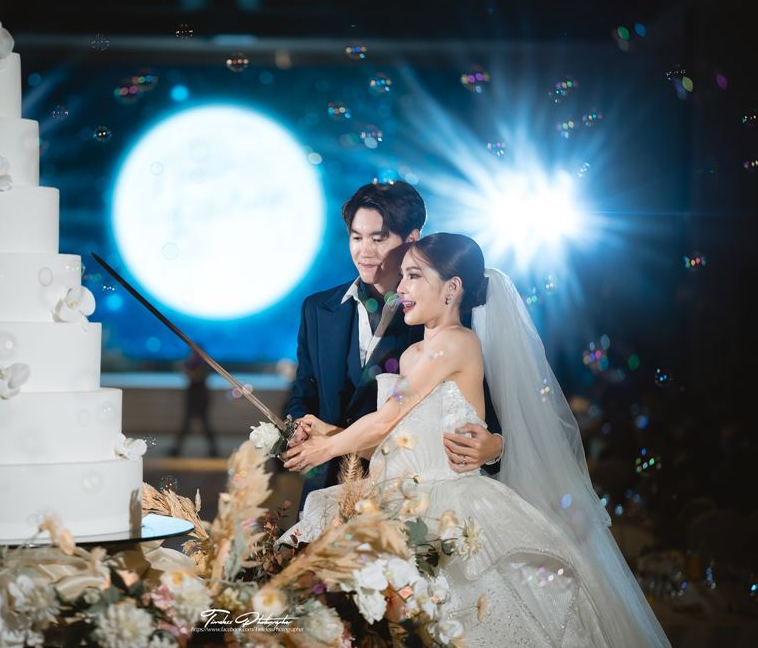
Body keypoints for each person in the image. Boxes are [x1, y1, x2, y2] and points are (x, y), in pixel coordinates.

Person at [279, 234, 670, 646]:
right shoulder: (413, 356)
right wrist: (328, 432)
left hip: (450, 506)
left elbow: (386, 418)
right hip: (399, 497)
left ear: (452, 288)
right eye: (403, 276)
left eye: (414, 276)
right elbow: (393, 440)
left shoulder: (456, 343)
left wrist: (325, 449)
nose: (401, 288)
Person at [285, 181, 502, 516]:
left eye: (378, 238)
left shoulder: (446, 325)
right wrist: (302, 428)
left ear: (412, 238)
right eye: (356, 237)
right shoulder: (317, 309)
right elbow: (304, 393)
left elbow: (486, 412)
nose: (364, 251)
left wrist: (495, 447)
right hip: (334, 489)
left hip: (423, 505)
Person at [169, 349, 219, 457]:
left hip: (200, 397)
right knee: (187, 425)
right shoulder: (193, 363)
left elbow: (196, 376)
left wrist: (186, 369)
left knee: (204, 425)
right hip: (193, 397)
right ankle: (177, 449)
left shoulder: (203, 364)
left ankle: (213, 450)